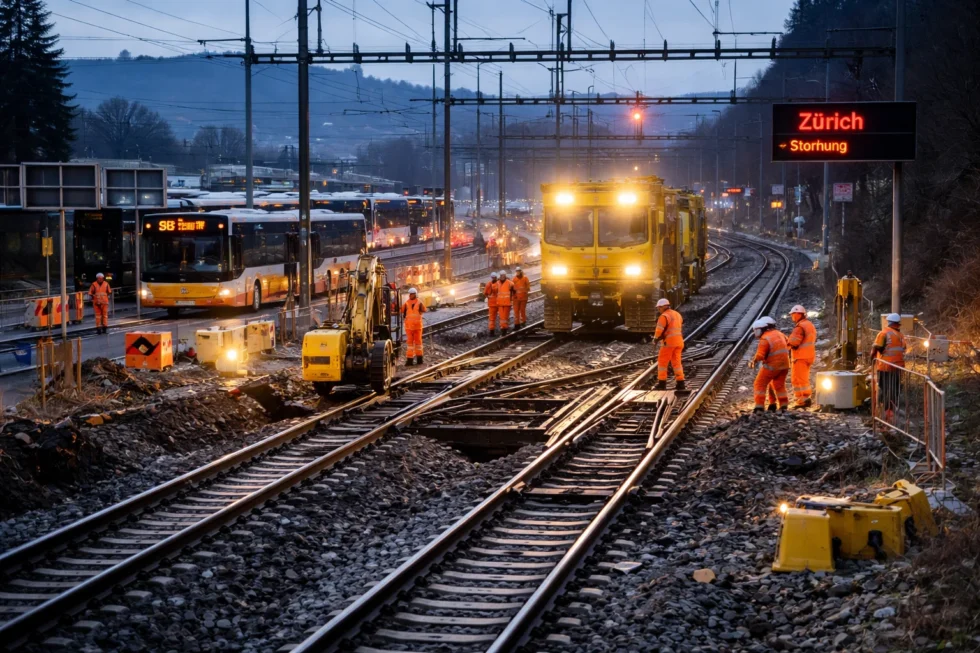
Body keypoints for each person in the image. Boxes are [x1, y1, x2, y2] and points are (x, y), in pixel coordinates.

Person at [750, 316, 790, 413]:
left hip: (772, 365)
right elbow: (788, 344)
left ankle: (759, 406)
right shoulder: (780, 334)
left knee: (759, 383)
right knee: (779, 385)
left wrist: (753, 361)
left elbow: (760, 355)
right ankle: (783, 405)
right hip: (785, 364)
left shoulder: (765, 338)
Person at [872, 313, 905, 414]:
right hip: (898, 366)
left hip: (885, 366)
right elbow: (903, 349)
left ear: (888, 322)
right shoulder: (901, 335)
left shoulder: (883, 333)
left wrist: (872, 360)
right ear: (898, 324)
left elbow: (876, 348)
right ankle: (891, 408)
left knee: (885, 388)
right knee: (894, 388)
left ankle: (886, 410)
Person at [786, 305, 817, 408]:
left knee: (799, 379)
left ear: (799, 314)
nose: (792, 317)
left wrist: (785, 343)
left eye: (793, 314)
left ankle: (804, 399)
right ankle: (801, 399)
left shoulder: (800, 327)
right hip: (809, 355)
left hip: (800, 357)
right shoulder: (809, 325)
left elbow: (794, 342)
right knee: (800, 378)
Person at [653, 298, 685, 391]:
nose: (658, 310)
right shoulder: (677, 314)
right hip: (679, 342)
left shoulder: (664, 316)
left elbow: (659, 330)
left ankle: (661, 384)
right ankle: (680, 383)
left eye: (659, 308)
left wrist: (655, 339)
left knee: (662, 362)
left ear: (663, 307)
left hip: (669, 343)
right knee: (677, 363)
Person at [401, 287, 426, 366]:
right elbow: (401, 310)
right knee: (410, 344)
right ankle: (410, 360)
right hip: (409, 327)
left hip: (417, 327)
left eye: (411, 294)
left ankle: (419, 359)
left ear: (415, 294)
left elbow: (424, 310)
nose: (410, 295)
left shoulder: (419, 303)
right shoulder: (407, 303)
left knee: (418, 343)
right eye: (410, 294)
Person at [496, 270, 514, 335]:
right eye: (501, 275)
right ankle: (503, 328)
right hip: (500, 303)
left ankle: (505, 328)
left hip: (507, 303)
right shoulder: (497, 283)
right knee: (501, 317)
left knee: (505, 317)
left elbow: (514, 289)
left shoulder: (510, 283)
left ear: (505, 276)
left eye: (503, 275)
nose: (502, 277)